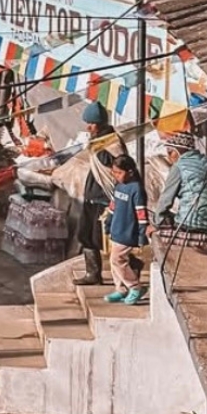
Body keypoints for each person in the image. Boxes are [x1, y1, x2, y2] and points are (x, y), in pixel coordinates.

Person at [154, 131, 207, 253]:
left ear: (176, 151)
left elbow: (165, 201)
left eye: (170, 152)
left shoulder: (179, 166)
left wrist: (158, 222)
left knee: (157, 233)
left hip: (194, 227)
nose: (169, 157)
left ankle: (202, 239)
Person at [75, 102, 124, 285]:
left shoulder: (111, 142)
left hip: (103, 197)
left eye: (92, 124)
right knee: (85, 234)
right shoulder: (96, 141)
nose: (88, 127)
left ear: (100, 124)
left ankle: (129, 268)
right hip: (92, 195)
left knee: (100, 238)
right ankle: (92, 273)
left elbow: (115, 164)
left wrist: (98, 148)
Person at [103, 154, 149, 304]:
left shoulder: (136, 189)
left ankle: (134, 286)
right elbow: (113, 206)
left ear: (130, 172)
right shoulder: (118, 186)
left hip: (128, 232)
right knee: (113, 260)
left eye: (119, 173)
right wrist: (108, 223)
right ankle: (120, 289)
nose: (116, 176)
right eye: (114, 173)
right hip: (116, 229)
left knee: (118, 260)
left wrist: (142, 235)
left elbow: (141, 214)